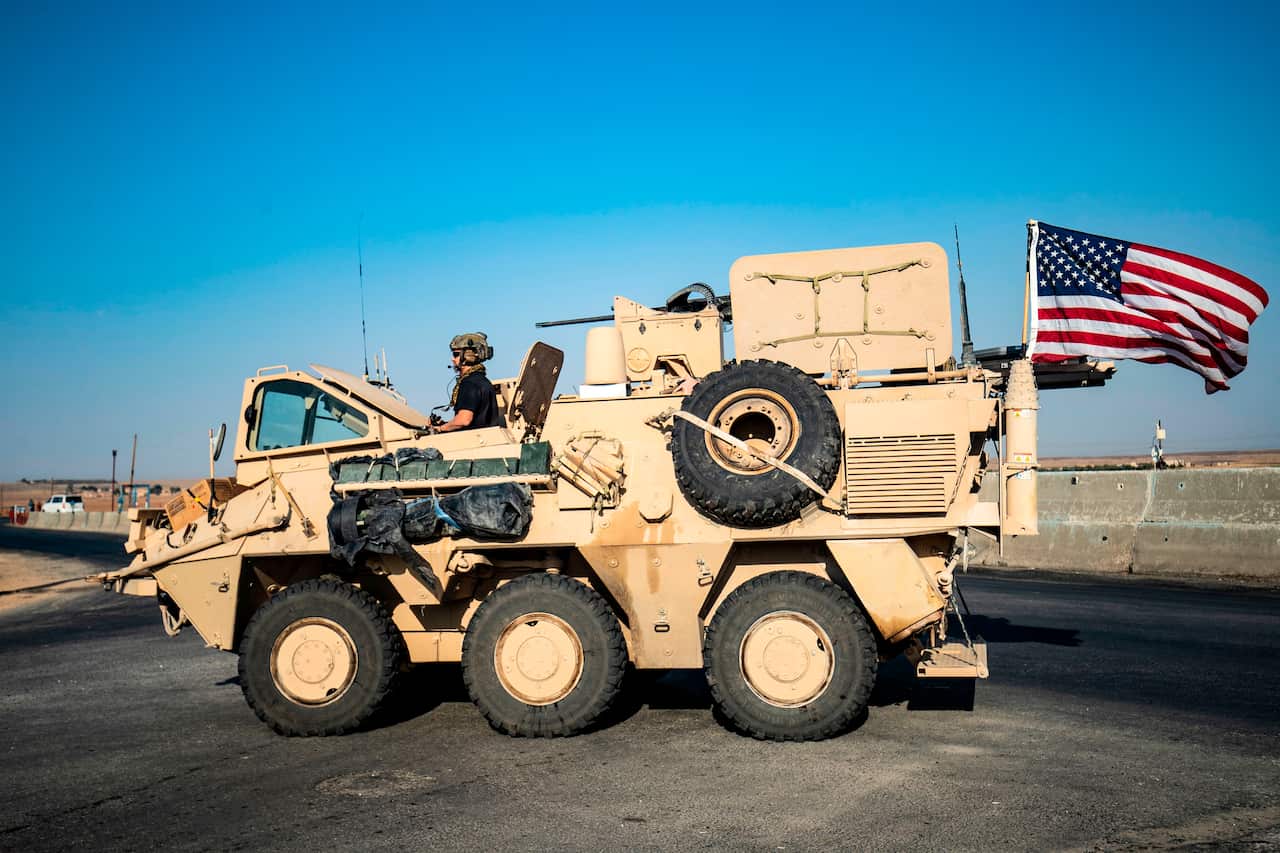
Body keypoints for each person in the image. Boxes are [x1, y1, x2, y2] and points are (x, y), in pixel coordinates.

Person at [434, 332, 504, 432]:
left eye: (456, 354)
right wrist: (446, 424)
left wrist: (440, 429)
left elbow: (464, 420)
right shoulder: (483, 381)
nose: (452, 359)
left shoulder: (469, 383)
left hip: (474, 441)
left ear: (467, 356)